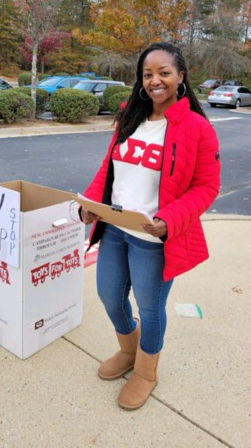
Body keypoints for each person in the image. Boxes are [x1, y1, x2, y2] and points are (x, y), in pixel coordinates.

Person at [80, 41, 220, 411]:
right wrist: (91, 206)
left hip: (153, 238)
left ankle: (146, 371)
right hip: (114, 229)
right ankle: (129, 350)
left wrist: (169, 220)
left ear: (181, 77)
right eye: (147, 74)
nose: (155, 80)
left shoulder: (196, 128)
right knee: (110, 297)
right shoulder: (130, 116)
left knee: (150, 307)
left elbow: (206, 186)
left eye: (164, 73)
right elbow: (108, 170)